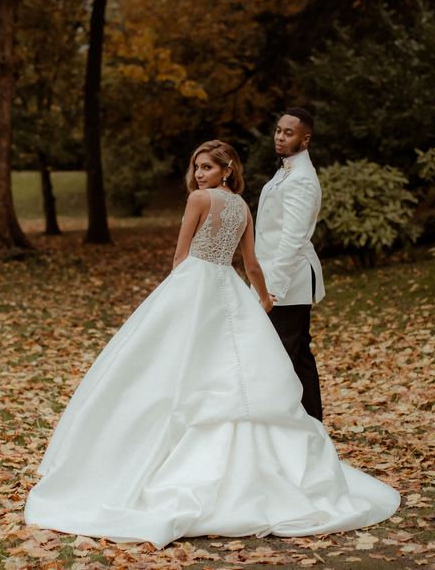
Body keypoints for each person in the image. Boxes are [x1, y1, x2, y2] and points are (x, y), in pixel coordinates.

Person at [24, 140, 399, 549]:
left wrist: (177, 301)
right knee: (235, 369)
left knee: (174, 366)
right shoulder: (242, 206)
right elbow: (250, 264)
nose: (200, 174)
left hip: (196, 286)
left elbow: (180, 256)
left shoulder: (199, 200)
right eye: (197, 167)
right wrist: (264, 298)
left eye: (207, 167)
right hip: (228, 287)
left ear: (226, 169)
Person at [255, 108, 324, 421]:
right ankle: (313, 423)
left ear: (305, 139)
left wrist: (273, 289)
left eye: (288, 133)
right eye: (279, 131)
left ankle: (295, 425)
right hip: (278, 276)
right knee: (298, 356)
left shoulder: (301, 180)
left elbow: (292, 239)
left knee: (284, 356)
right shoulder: (286, 171)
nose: (280, 137)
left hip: (289, 280)